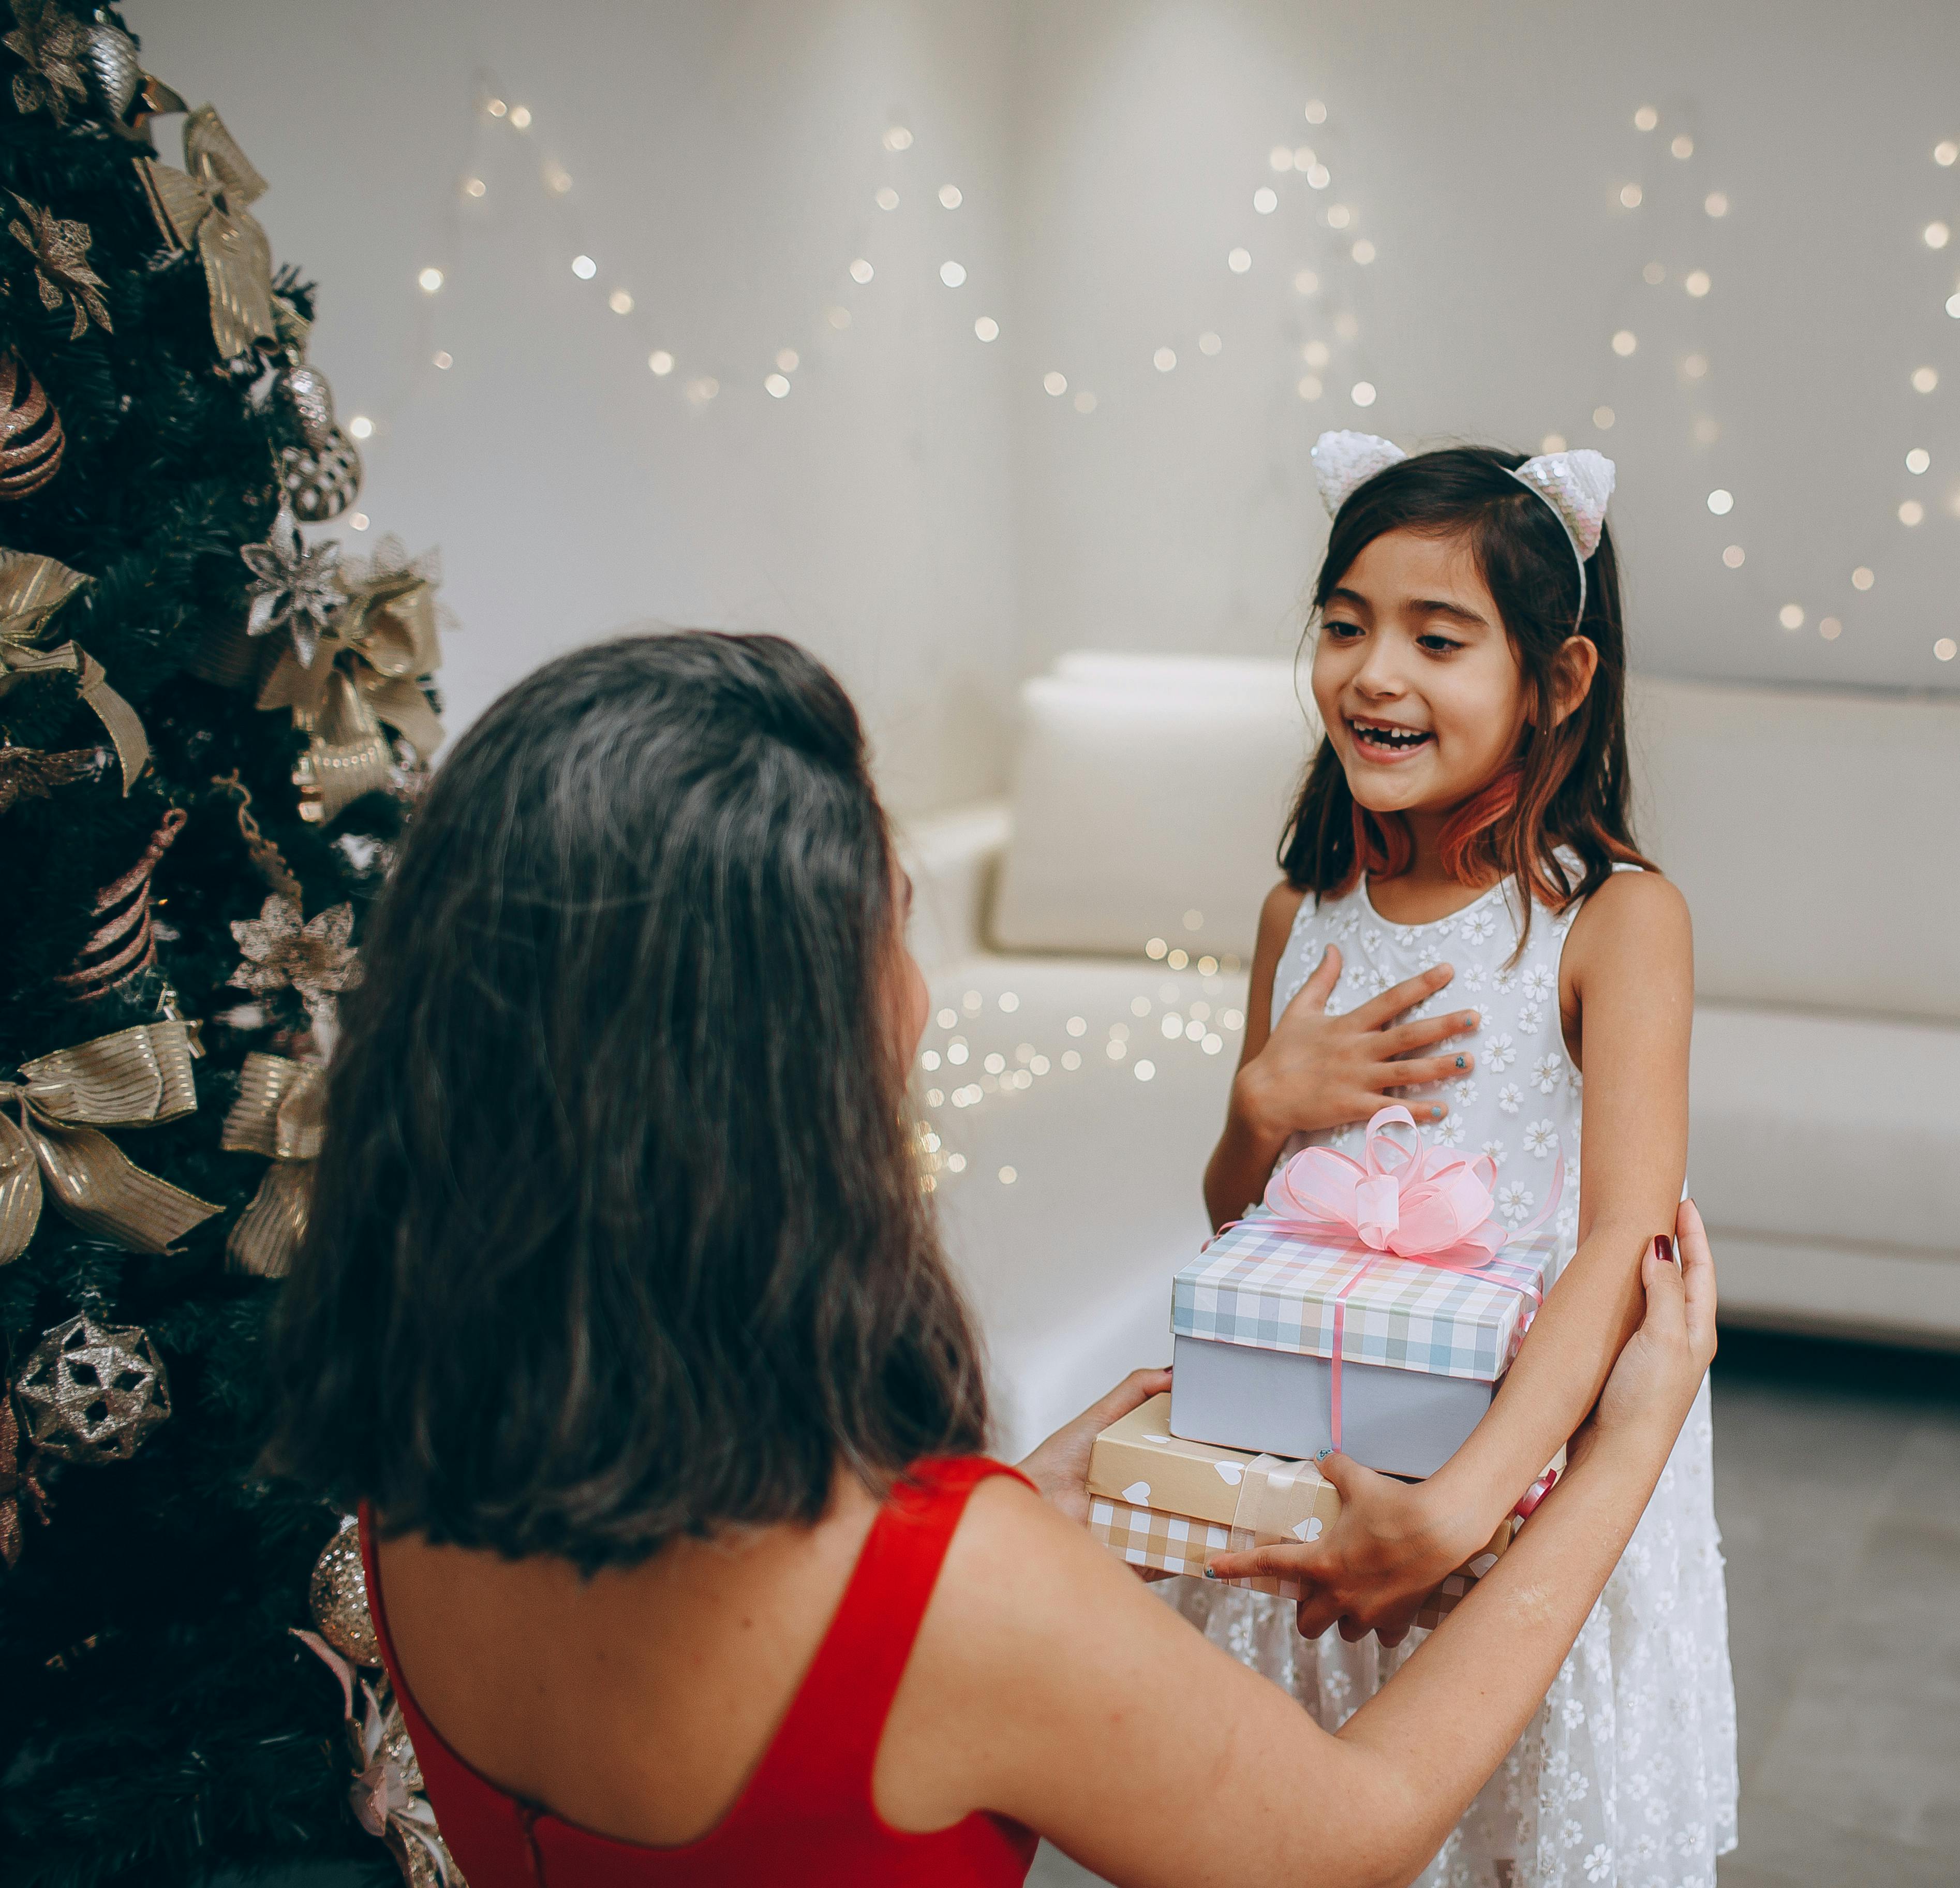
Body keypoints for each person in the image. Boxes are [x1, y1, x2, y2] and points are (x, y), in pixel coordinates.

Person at [262, 631, 1718, 1888]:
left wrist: (1014, 1510)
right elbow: (1351, 1836)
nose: (922, 1008)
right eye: (899, 929)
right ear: (781, 1062)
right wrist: (1619, 1456)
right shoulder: (960, 1592)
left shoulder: (415, 1477)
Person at [1190, 437, 1738, 1886]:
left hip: (1524, 1468)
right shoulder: (1297, 913)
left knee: (1509, 1820)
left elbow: (1626, 1247)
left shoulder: (1617, 924)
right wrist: (1263, 1101)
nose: (1375, 674)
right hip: (1325, 1452)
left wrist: (1463, 1508)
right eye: (1346, 623)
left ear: (1558, 680)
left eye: (1440, 639)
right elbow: (1235, 1220)